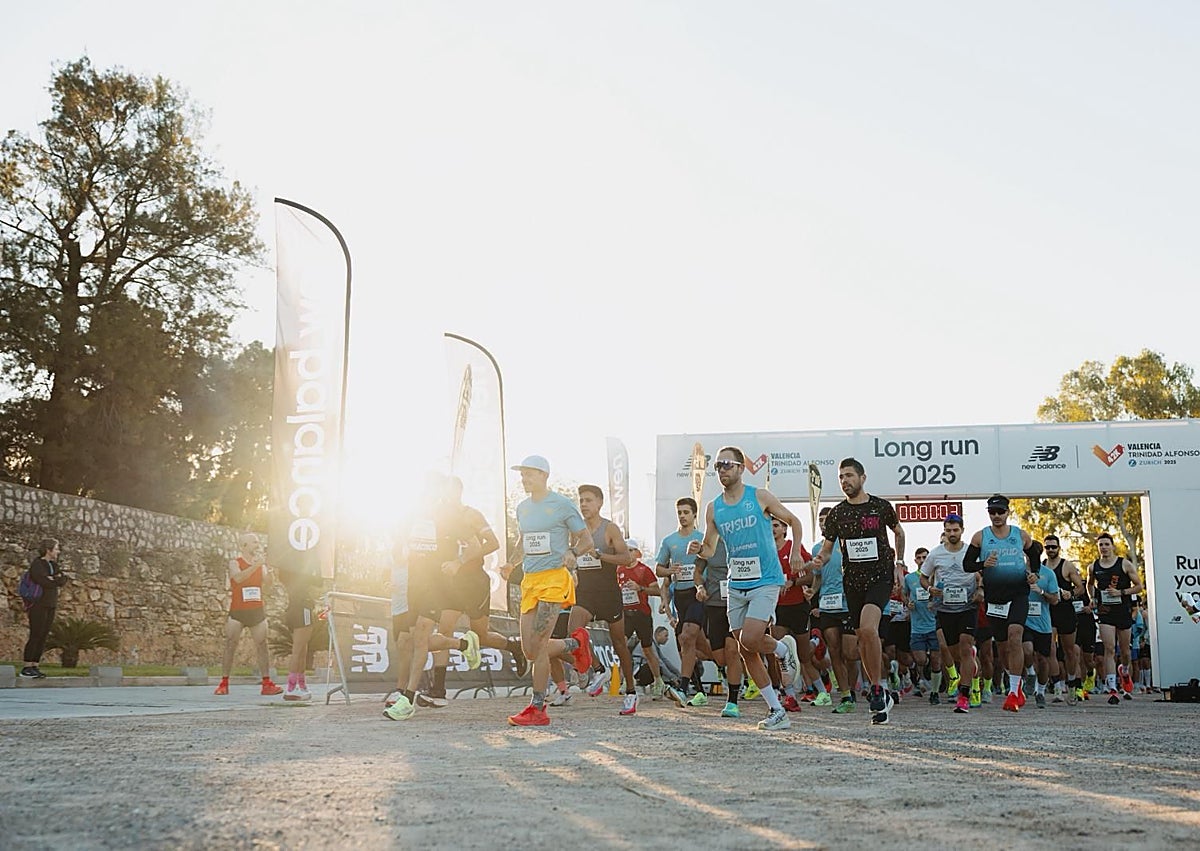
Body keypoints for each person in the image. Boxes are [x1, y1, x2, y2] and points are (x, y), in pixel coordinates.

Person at [688, 446, 806, 732]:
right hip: (736, 584)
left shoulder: (759, 496)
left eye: (727, 464)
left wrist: (795, 554)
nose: (722, 470)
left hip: (766, 580)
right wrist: (698, 549)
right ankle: (777, 710)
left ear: (741, 468)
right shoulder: (714, 508)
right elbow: (710, 547)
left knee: (751, 639)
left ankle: (780, 649)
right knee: (745, 648)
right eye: (717, 466)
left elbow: (794, 521)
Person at [500, 455, 596, 727]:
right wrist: (513, 562)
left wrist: (573, 553)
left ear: (543, 475)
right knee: (530, 649)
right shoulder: (522, 508)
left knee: (540, 645)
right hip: (530, 581)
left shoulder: (562, 505)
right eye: (522, 475)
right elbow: (524, 539)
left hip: (554, 579)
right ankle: (576, 644)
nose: (524, 479)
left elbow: (586, 539)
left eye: (529, 474)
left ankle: (538, 707)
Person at [811, 458, 906, 725]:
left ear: (863, 478)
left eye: (849, 476)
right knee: (863, 640)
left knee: (867, 629)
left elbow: (898, 532)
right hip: (852, 582)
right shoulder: (837, 514)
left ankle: (876, 686)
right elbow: (828, 550)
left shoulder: (880, 507)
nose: (845, 481)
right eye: (841, 477)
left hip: (880, 578)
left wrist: (899, 563)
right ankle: (880, 693)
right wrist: (819, 560)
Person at [432, 475, 528, 703]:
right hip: (449, 583)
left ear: (458, 492)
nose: (444, 496)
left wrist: (460, 562)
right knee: (444, 630)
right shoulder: (436, 517)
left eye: (448, 491)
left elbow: (492, 543)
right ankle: (438, 689)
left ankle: (514, 647)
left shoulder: (470, 515)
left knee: (480, 636)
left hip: (473, 580)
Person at [555, 485, 636, 715]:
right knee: (574, 632)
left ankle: (631, 692)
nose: (584, 504)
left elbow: (626, 558)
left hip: (609, 592)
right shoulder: (576, 531)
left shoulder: (609, 528)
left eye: (588, 500)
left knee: (620, 644)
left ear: (599, 503)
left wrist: (601, 555)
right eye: (581, 500)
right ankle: (599, 669)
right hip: (586, 592)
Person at [963, 494, 1042, 713]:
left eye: (1000, 512)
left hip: (1018, 594)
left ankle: (1013, 692)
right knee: (1004, 647)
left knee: (1016, 635)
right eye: (992, 512)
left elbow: (1035, 551)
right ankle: (1017, 685)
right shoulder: (981, 537)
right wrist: (982, 563)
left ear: (1008, 512)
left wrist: (1034, 572)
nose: (996, 516)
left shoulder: (1019, 535)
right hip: (994, 598)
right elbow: (967, 565)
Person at [921, 514, 979, 713]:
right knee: (955, 654)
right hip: (945, 608)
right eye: (948, 530)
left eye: (955, 530)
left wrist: (980, 590)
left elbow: (982, 575)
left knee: (964, 647)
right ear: (944, 531)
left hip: (968, 607)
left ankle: (964, 696)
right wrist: (930, 589)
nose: (952, 534)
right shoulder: (935, 554)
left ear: (962, 530)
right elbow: (923, 577)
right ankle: (970, 660)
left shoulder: (971, 552)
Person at [214, 533, 284, 696]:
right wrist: (256, 566)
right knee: (230, 644)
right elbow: (238, 578)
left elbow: (268, 585)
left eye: (257, 542)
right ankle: (224, 683)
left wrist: (270, 573)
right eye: (254, 542)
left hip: (256, 610)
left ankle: (267, 683)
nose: (257, 545)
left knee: (262, 646)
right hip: (238, 610)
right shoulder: (234, 563)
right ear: (244, 546)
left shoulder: (261, 564)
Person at [656, 497, 707, 707]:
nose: (683, 516)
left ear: (695, 514)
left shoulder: (702, 538)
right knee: (691, 645)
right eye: (680, 512)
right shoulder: (670, 541)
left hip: (699, 595)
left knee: (688, 636)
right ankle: (700, 690)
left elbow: (710, 562)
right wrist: (670, 571)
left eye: (686, 512)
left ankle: (684, 688)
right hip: (681, 597)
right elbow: (659, 569)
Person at [1087, 532, 1144, 705]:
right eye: (1101, 545)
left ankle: (1124, 672)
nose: (1103, 547)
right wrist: (1093, 599)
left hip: (1123, 611)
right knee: (1109, 649)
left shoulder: (1124, 564)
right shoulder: (1093, 566)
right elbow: (1090, 584)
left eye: (1106, 544)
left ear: (1112, 546)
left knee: (1125, 651)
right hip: (1105, 612)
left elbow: (1139, 586)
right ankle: (1112, 689)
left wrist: (1121, 592)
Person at [811, 506, 856, 713]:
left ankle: (856, 688)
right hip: (827, 603)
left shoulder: (846, 542)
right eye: (820, 519)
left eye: (826, 518)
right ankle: (846, 695)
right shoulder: (815, 550)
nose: (823, 522)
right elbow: (818, 577)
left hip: (848, 603)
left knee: (850, 652)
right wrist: (812, 591)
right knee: (835, 650)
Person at [695, 538, 746, 718]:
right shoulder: (709, 545)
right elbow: (697, 572)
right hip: (715, 604)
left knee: (732, 650)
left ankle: (732, 701)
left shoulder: (742, 541)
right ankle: (737, 668)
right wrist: (700, 587)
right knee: (720, 657)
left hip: (737, 601)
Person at [616, 538, 663, 703]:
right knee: (621, 645)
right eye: (625, 550)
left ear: (637, 553)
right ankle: (625, 681)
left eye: (630, 550)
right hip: (625, 614)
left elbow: (657, 591)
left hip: (642, 614)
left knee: (647, 649)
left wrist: (640, 588)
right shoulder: (619, 569)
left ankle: (658, 681)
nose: (627, 554)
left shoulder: (644, 570)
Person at [771, 516, 809, 712]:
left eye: (776, 525)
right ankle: (789, 695)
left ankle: (819, 686)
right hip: (776, 607)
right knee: (780, 651)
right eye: (770, 526)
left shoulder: (793, 548)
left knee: (804, 654)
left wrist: (793, 583)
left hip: (797, 605)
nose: (773, 529)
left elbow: (810, 574)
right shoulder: (766, 549)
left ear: (785, 529)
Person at [1043, 534, 1086, 703]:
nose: (1051, 550)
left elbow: (1081, 587)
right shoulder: (1042, 567)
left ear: (1059, 548)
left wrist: (1071, 593)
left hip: (1066, 612)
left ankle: (1073, 685)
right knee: (1050, 650)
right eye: (1048, 547)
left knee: (1069, 651)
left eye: (1053, 547)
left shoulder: (1067, 565)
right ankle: (1057, 688)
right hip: (1048, 612)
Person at [21, 538, 68, 679]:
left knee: (43, 635)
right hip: (38, 604)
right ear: (49, 550)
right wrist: (53, 579)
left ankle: (35, 665)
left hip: (51, 604)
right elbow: (42, 581)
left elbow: (63, 580)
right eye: (56, 548)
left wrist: (53, 579)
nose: (58, 551)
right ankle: (27, 666)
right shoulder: (37, 564)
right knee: (35, 634)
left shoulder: (54, 565)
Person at [1023, 548, 1061, 709]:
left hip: (1043, 623)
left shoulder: (1048, 574)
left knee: (1043, 661)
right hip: (1023, 621)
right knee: (1027, 650)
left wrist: (1042, 591)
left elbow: (1055, 600)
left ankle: (1041, 691)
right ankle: (1030, 673)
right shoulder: (1018, 571)